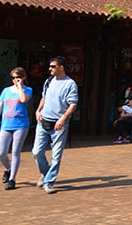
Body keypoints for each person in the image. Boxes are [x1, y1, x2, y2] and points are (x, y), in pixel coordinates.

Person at [32, 56, 79, 194]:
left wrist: (63, 119)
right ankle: (45, 173)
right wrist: (38, 110)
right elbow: (44, 97)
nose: (50, 69)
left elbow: (73, 105)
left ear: (61, 67)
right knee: (36, 152)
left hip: (59, 124)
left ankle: (49, 182)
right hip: (43, 121)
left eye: (53, 66)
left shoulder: (70, 84)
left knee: (56, 155)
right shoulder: (49, 81)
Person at [0, 67, 33, 190]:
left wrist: (20, 88)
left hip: (21, 125)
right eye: (13, 78)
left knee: (15, 151)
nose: (15, 80)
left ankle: (12, 179)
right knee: (1, 153)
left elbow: (23, 100)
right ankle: (8, 169)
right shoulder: (6, 91)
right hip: (6, 124)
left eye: (17, 77)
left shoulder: (27, 90)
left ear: (23, 77)